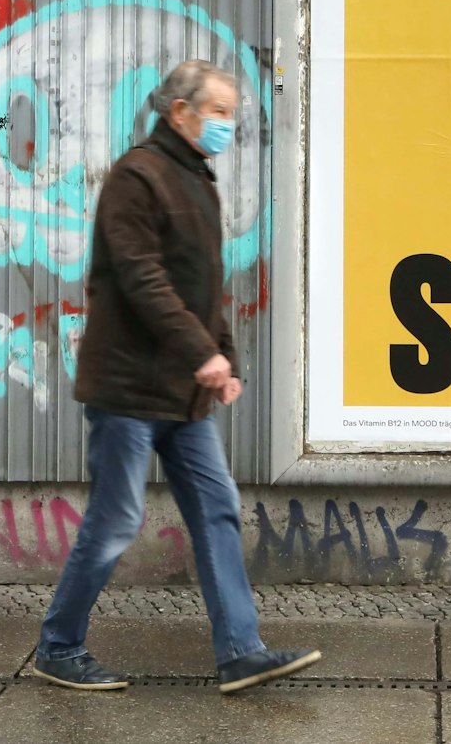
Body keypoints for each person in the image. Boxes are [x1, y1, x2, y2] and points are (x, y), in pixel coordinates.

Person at [34, 59, 321, 695]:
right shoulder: (137, 177)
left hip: (182, 391)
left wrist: (222, 358)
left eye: (230, 112)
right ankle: (58, 646)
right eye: (217, 110)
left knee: (216, 508)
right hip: (128, 389)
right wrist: (202, 351)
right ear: (179, 112)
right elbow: (143, 279)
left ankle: (242, 652)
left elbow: (205, 285)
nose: (226, 122)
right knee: (115, 520)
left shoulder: (197, 179)